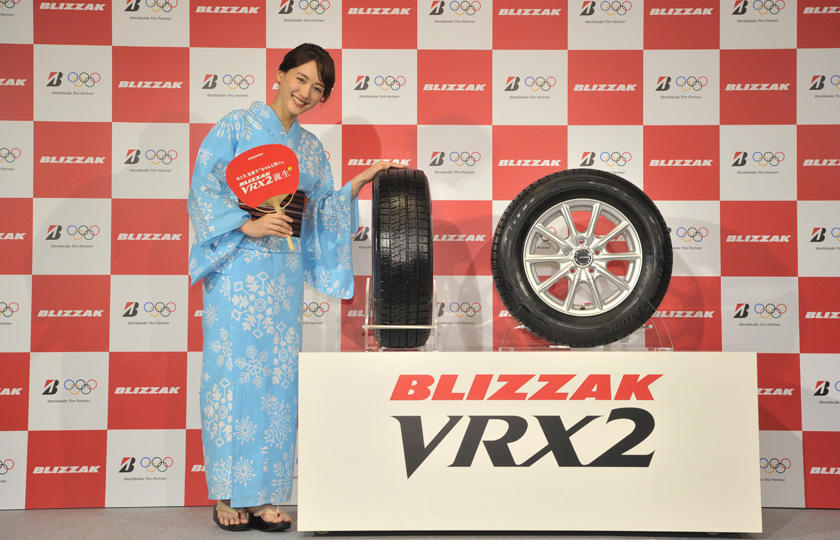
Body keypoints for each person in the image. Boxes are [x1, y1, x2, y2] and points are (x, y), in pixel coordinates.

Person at [188, 43, 404, 531]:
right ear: (280, 74)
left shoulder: (311, 148)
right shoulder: (236, 126)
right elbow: (204, 188)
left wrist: (357, 183)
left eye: (318, 88)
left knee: (276, 384)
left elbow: (322, 211)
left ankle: (266, 495)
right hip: (237, 270)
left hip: (281, 278)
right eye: (300, 78)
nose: (305, 92)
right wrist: (246, 226)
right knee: (231, 379)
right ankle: (229, 495)